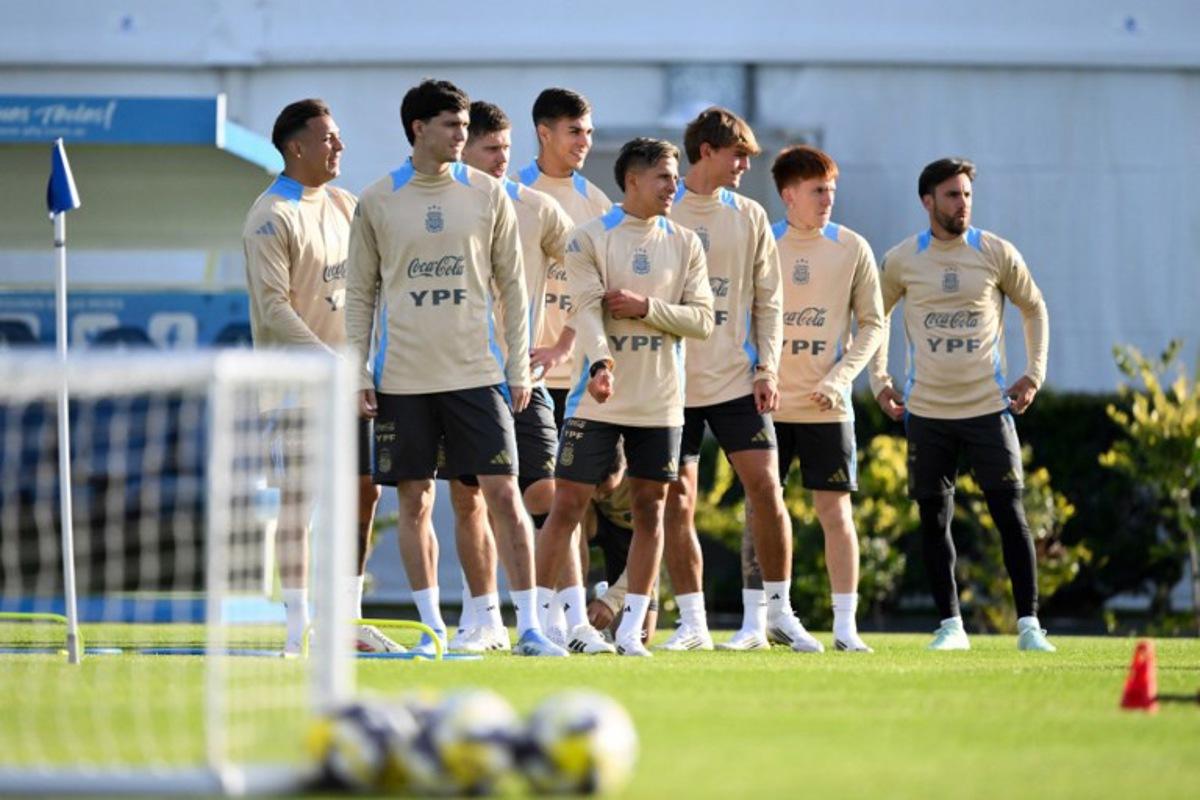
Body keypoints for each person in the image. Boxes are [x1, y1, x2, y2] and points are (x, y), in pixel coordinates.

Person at [344, 79, 565, 658]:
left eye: (466, 126)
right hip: (403, 379)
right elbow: (360, 294)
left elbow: (513, 287)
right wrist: (359, 372)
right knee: (415, 501)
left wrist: (518, 366)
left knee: (503, 494)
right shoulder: (376, 199)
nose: (462, 135)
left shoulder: (489, 195)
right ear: (418, 128)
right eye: (451, 125)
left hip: (477, 374)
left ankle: (532, 628)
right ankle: (432, 630)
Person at [535, 137, 714, 656]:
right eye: (663, 176)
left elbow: (702, 319)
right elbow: (586, 310)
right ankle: (541, 622)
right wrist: (600, 363)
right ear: (632, 180)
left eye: (675, 175)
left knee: (651, 510)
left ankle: (632, 628)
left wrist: (646, 307)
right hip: (597, 398)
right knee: (565, 505)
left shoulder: (685, 242)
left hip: (660, 402)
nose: (673, 185)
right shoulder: (589, 237)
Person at [868, 157, 1054, 652]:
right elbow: (873, 316)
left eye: (967, 194)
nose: (962, 203)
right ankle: (951, 626)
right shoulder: (902, 259)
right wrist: (879, 379)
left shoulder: (995, 252)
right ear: (927, 201)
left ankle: (1030, 626)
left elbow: (1034, 307)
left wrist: (1034, 374)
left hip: (988, 409)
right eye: (952, 195)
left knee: (1010, 513)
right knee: (934, 519)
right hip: (926, 412)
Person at [241, 98, 399, 656]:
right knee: (298, 501)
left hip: (354, 383)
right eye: (328, 138)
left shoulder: (344, 203)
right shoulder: (270, 215)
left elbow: (368, 289)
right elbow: (274, 308)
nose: (340, 147)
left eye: (339, 137)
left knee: (364, 494)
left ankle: (348, 622)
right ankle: (297, 627)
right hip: (297, 388)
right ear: (296, 147)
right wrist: (332, 363)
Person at [657, 107, 814, 652]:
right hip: (670, 387)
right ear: (707, 151)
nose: (746, 164)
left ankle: (772, 616)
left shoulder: (748, 215)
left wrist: (767, 366)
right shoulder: (662, 206)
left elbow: (770, 302)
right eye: (738, 154)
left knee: (767, 490)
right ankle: (693, 624)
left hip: (736, 383)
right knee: (678, 502)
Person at [731, 144, 884, 653]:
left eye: (831, 191)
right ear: (788, 194)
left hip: (827, 406)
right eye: (818, 190)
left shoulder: (852, 247)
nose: (827, 199)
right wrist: (759, 372)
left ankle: (845, 626)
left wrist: (840, 379)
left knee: (835, 513)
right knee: (761, 509)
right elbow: (743, 318)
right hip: (768, 404)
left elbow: (873, 325)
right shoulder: (763, 243)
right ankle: (756, 624)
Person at [447, 100, 573, 652]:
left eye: (506, 149)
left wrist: (566, 342)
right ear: (463, 149)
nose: (503, 159)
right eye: (491, 149)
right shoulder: (440, 205)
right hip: (452, 376)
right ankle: (483, 618)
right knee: (467, 498)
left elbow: (590, 269)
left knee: (546, 493)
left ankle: (557, 614)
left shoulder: (538, 208)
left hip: (522, 378)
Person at [516, 87, 614, 643]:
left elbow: (594, 291)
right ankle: (514, 617)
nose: (585, 142)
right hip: (516, 375)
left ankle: (568, 618)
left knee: (563, 500)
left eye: (590, 132)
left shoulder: (596, 203)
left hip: (572, 379)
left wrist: (564, 348)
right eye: (575, 131)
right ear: (544, 133)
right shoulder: (513, 193)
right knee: (513, 500)